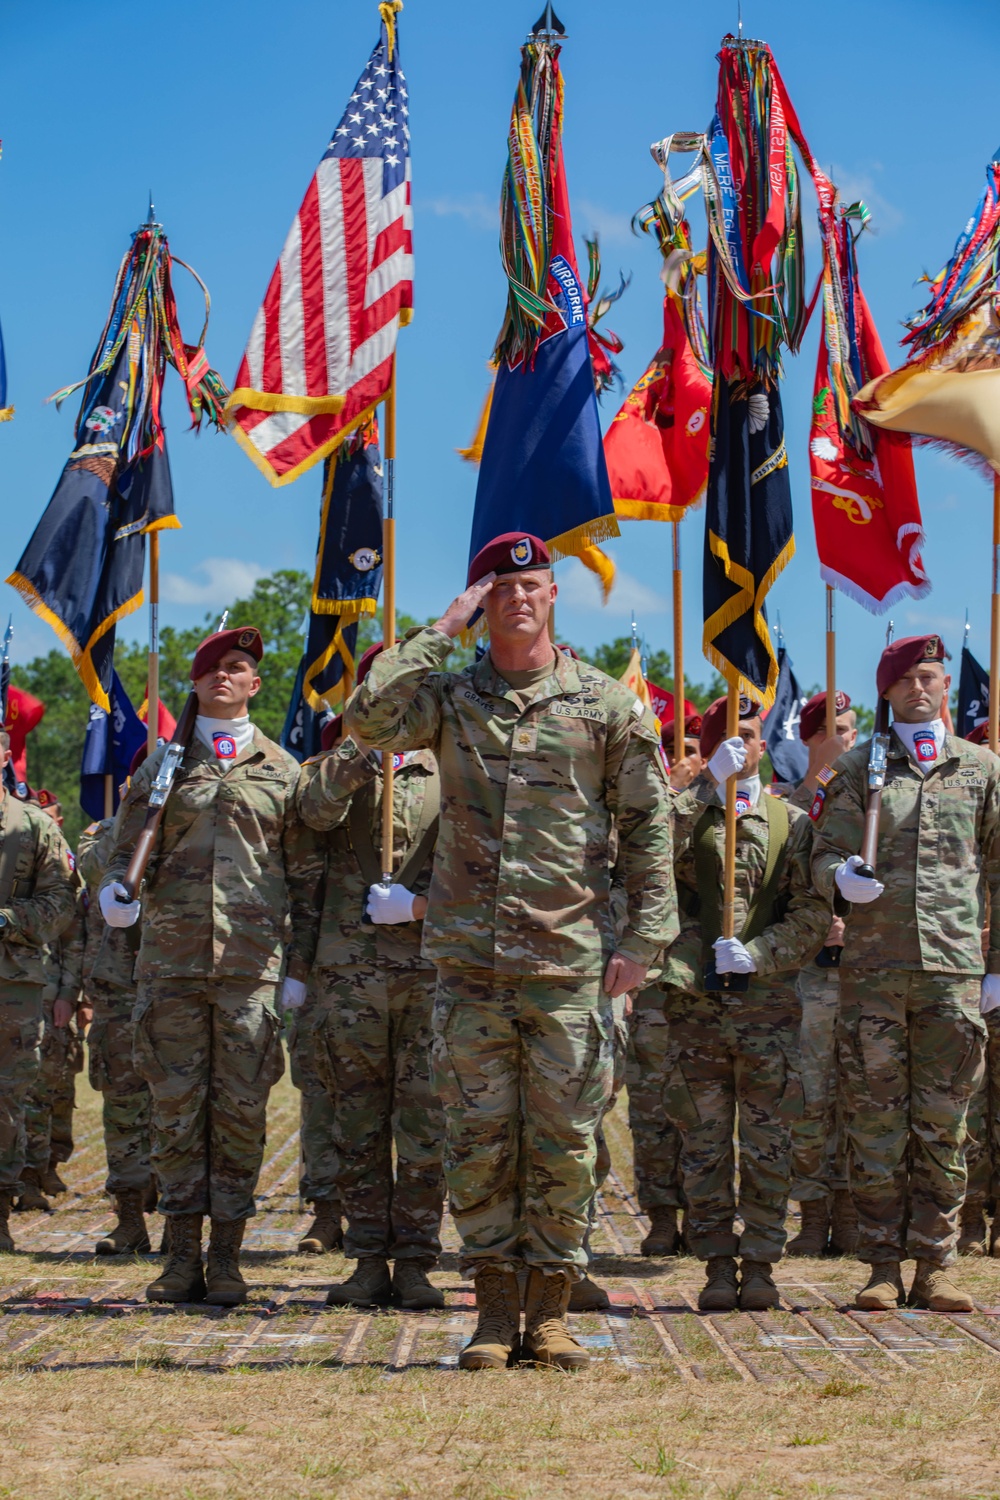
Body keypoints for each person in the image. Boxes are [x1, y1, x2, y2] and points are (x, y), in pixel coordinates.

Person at [346, 533, 676, 1370]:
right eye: (499, 590)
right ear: (482, 605)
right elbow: (366, 719)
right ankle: (494, 1314)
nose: (517, 599)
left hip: (570, 965)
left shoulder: (605, 705)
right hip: (471, 963)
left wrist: (645, 939)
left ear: (556, 594)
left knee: (566, 1145)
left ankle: (553, 1313)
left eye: (531, 585)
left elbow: (647, 828)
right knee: (478, 1140)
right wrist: (440, 627)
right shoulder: (453, 696)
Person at [100, 626, 323, 1305]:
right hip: (169, 967)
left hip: (250, 971)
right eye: (211, 669)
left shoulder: (285, 772)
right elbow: (122, 849)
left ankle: (226, 1255)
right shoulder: (161, 767)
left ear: (256, 684)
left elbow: (306, 878)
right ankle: (179, 1257)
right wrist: (117, 899)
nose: (223, 677)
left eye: (237, 668)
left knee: (240, 1115)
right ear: (195, 685)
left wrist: (299, 967)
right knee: (173, 1113)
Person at [811, 633, 1000, 1312]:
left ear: (947, 686)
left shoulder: (981, 769)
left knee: (946, 1125)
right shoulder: (861, 766)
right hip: (874, 973)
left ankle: (936, 1265)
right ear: (886, 690)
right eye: (907, 678)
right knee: (875, 1125)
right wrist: (839, 875)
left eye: (931, 676)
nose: (921, 687)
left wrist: (997, 967)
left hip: (953, 971)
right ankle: (883, 1266)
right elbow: (821, 851)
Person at [662, 696, 828, 1311]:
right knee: (703, 1140)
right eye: (728, 736)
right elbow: (648, 862)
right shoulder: (687, 813)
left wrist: (762, 952)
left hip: (767, 1007)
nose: (743, 744)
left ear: (764, 744)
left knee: (768, 1141)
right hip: (696, 1004)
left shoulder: (792, 823)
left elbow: (813, 911)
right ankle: (713, 1262)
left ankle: (760, 1262)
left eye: (752, 734)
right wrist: (705, 784)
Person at [297, 648, 446, 1310]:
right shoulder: (335, 760)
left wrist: (422, 904)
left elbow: (480, 856)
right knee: (355, 1121)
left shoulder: (451, 767)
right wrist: (362, 753)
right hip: (350, 974)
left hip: (428, 967)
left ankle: (414, 1260)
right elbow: (312, 814)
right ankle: (364, 1259)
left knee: (423, 1122)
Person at [784, 690, 858, 1257]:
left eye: (854, 729)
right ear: (810, 736)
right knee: (811, 1098)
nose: (847, 736)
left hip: (867, 971)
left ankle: (853, 1214)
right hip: (807, 974)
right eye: (835, 729)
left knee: (863, 1098)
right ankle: (811, 1214)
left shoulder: (874, 800)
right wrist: (822, 772)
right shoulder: (788, 803)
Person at [0, 731, 79, 1251]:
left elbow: (62, 904)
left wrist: (6, 919)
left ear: (4, 754)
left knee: (5, 1097)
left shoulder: (30, 825)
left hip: (9, 982)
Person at [78, 797, 155, 1255]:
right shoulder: (102, 832)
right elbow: (94, 871)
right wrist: (134, 820)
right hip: (119, 990)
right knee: (123, 1110)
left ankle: (184, 1228)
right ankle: (129, 1222)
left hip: (175, 977)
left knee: (180, 1110)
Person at [17, 790, 87, 1211]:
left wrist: (67, 994)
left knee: (44, 1091)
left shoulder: (58, 869)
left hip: (44, 993)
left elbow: (72, 940)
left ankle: (36, 1170)